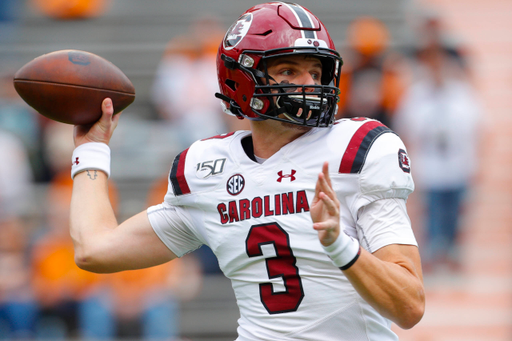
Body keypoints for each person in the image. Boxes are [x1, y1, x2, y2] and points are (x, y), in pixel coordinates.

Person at [69, 3, 425, 340]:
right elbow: (95, 250)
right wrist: (91, 149)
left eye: (316, 72)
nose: (310, 84)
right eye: (289, 71)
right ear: (242, 80)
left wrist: (340, 246)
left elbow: (409, 306)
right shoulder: (207, 169)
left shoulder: (357, 150)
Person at [393, 13, 481, 273]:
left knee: (455, 213)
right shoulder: (417, 92)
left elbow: (474, 126)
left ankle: (452, 254)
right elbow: (407, 127)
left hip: (457, 161)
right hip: (430, 163)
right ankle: (432, 254)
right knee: (430, 213)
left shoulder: (460, 89)